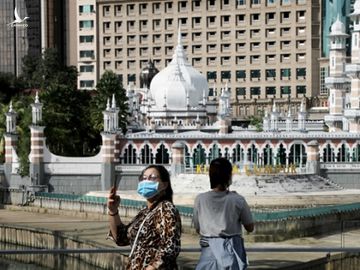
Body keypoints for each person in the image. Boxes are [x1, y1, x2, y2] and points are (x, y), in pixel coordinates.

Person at [107, 165, 182, 270]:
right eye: (144, 178)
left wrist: (152, 267)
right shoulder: (144, 212)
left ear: (164, 185)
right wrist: (113, 210)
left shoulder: (166, 208)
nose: (147, 181)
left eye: (153, 177)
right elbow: (121, 238)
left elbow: (170, 247)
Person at [193, 158, 254, 270]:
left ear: (210, 176)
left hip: (208, 255)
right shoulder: (238, 199)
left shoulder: (200, 199)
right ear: (229, 176)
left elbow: (197, 229)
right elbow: (250, 227)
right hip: (232, 255)